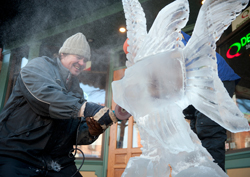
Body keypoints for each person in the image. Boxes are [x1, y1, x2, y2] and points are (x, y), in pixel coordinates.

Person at [0, 32, 118, 177]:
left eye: (85, 60)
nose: (82, 63)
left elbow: (72, 133)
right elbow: (45, 96)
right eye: (78, 57)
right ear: (63, 54)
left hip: (57, 162)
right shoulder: (39, 66)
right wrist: (86, 108)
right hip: (17, 155)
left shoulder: (77, 90)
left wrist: (91, 131)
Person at [181, 31, 241, 171]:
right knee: (196, 133)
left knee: (208, 129)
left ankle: (213, 174)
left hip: (216, 79)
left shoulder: (170, 38)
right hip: (198, 85)